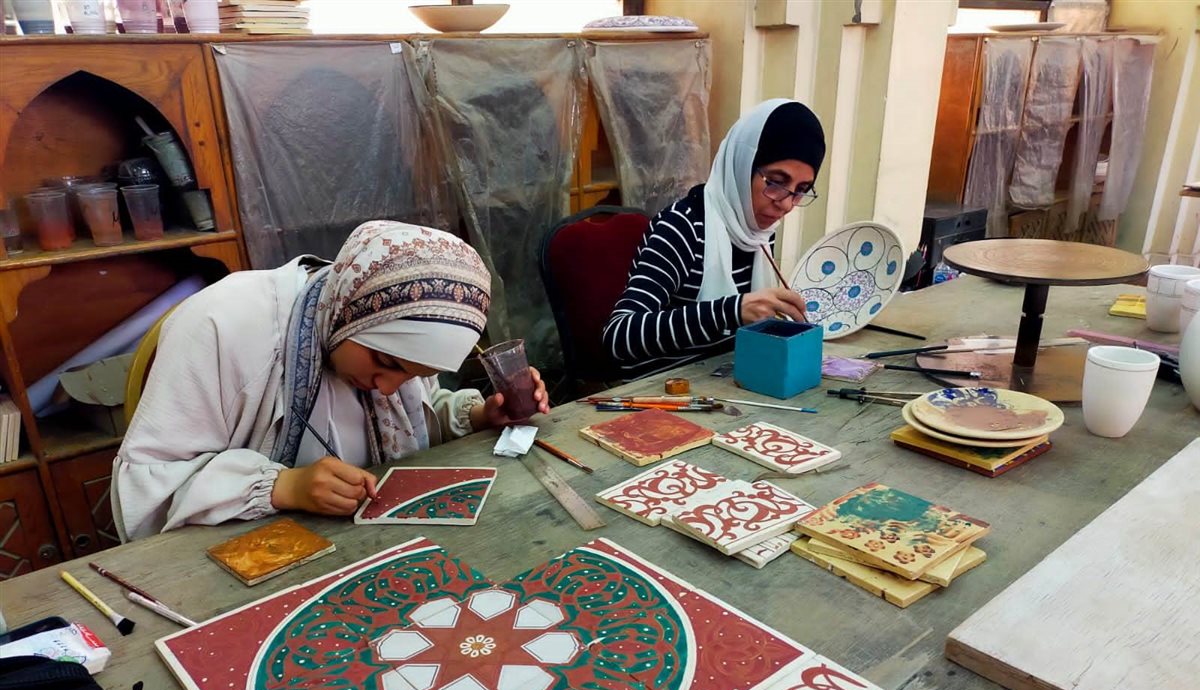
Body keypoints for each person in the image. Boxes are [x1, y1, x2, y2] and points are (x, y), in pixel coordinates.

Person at [112, 220, 549, 541]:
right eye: (384, 362)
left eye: (413, 375)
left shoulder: (381, 335)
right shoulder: (223, 325)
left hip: (361, 544)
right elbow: (146, 487)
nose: (387, 388)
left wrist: (478, 415)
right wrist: (284, 487)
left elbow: (416, 416)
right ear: (349, 313)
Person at [603, 99, 826, 379]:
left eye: (801, 189)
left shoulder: (756, 231)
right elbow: (619, 336)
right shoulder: (682, 228)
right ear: (743, 166)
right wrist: (732, 310)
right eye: (776, 182)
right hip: (661, 387)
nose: (786, 204)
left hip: (722, 379)